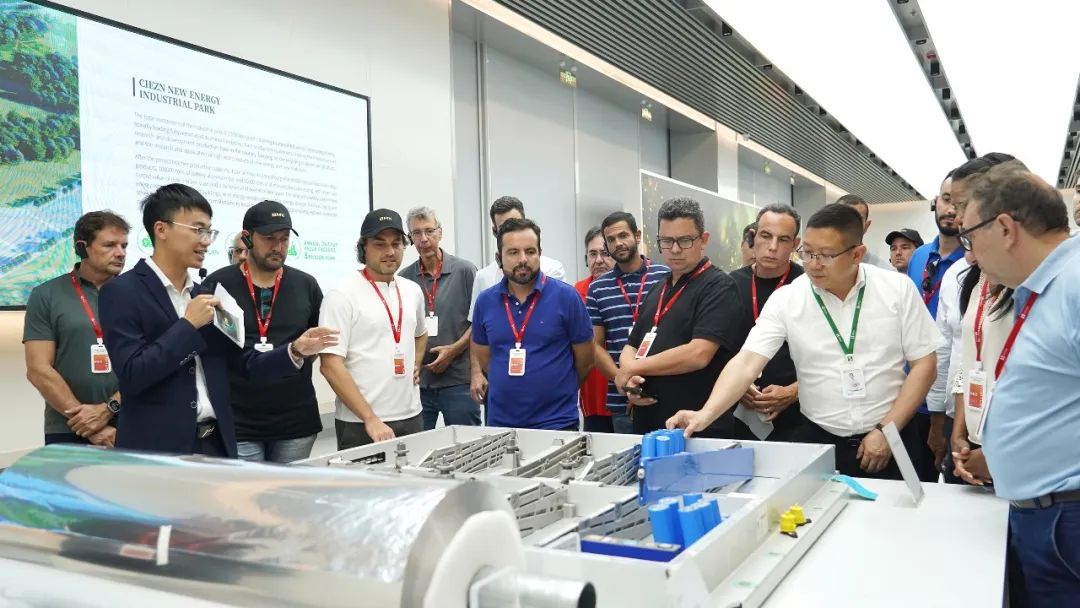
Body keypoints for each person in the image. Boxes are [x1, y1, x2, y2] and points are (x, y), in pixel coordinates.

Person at [667, 204, 941, 480]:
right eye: (807, 253)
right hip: (820, 439)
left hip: (892, 434)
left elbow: (925, 365)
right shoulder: (789, 298)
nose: (813, 264)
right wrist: (705, 414)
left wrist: (886, 430)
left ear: (857, 254)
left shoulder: (896, 289)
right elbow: (747, 361)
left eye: (825, 255)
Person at [98, 184, 336, 457]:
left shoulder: (205, 294)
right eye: (197, 230)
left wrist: (294, 351)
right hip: (159, 451)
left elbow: (243, 363)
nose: (206, 241)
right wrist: (188, 326)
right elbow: (132, 376)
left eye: (209, 232)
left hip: (216, 445)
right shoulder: (122, 291)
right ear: (161, 230)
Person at [958, 164, 1080, 605]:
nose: (971, 254)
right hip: (1046, 513)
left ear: (1006, 228)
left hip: (1066, 518)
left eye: (970, 237)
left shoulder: (1074, 284)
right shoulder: (1044, 287)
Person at [204, 201, 323, 463]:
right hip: (239, 422)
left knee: (289, 490)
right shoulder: (219, 284)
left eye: (284, 239)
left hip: (295, 421)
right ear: (247, 238)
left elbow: (314, 344)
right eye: (269, 238)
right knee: (248, 490)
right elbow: (212, 351)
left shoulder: (306, 285)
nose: (278, 247)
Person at [615, 198, 742, 435]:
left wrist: (632, 368)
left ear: (703, 240)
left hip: (696, 429)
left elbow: (698, 354)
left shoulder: (719, 287)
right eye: (666, 241)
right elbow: (632, 345)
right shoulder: (659, 288)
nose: (674, 249)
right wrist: (630, 379)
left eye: (684, 241)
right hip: (648, 425)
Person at [471, 218, 594, 430]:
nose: (523, 259)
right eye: (513, 252)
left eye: (530, 251)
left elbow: (586, 361)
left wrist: (557, 390)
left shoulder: (567, 298)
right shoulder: (485, 302)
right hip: (501, 424)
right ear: (499, 257)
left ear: (540, 253)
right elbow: (484, 358)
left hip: (557, 424)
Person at [320, 209, 428, 449]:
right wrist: (370, 418)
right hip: (360, 423)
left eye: (396, 244)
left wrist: (416, 362)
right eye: (380, 244)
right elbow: (330, 365)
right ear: (363, 248)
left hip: (411, 415)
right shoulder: (341, 295)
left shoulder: (412, 291)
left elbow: (421, 334)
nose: (390, 252)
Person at [24, 211, 128, 448]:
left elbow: (151, 366)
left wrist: (109, 408)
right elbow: (38, 369)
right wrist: (89, 424)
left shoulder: (138, 294)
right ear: (82, 247)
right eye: (110, 245)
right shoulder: (46, 295)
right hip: (68, 426)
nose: (120, 252)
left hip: (133, 421)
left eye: (124, 245)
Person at [896, 172, 964, 481]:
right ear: (936, 202)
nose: (951, 209)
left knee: (952, 479)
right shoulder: (920, 256)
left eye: (959, 202)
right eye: (946, 200)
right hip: (911, 387)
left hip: (950, 391)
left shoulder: (972, 262)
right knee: (915, 477)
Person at [726, 204, 806, 441]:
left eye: (783, 239)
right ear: (753, 237)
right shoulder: (729, 285)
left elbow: (830, 358)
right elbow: (716, 348)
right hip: (738, 410)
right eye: (765, 236)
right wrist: (738, 385)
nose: (772, 247)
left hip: (800, 415)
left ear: (795, 244)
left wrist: (793, 391)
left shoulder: (808, 286)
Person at [587, 211, 670, 435]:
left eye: (623, 235)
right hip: (622, 401)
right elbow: (595, 346)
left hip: (667, 393)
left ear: (637, 235)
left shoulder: (666, 277)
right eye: (611, 239)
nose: (618, 243)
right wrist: (622, 381)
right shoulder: (597, 288)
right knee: (627, 458)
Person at [398, 206, 479, 429]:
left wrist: (453, 350)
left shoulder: (465, 271)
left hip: (459, 380)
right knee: (418, 445)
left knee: (466, 443)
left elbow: (479, 322)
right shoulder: (404, 278)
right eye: (416, 233)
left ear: (440, 233)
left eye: (429, 231)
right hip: (420, 383)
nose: (423, 239)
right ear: (410, 238)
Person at [575, 226, 614, 432]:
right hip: (592, 397)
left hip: (624, 394)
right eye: (592, 254)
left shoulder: (627, 288)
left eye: (605, 253)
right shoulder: (576, 292)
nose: (599, 260)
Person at [833, 194, 892, 270]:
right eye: (843, 218)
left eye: (857, 219)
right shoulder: (819, 264)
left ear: (866, 226)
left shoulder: (883, 271)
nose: (849, 225)